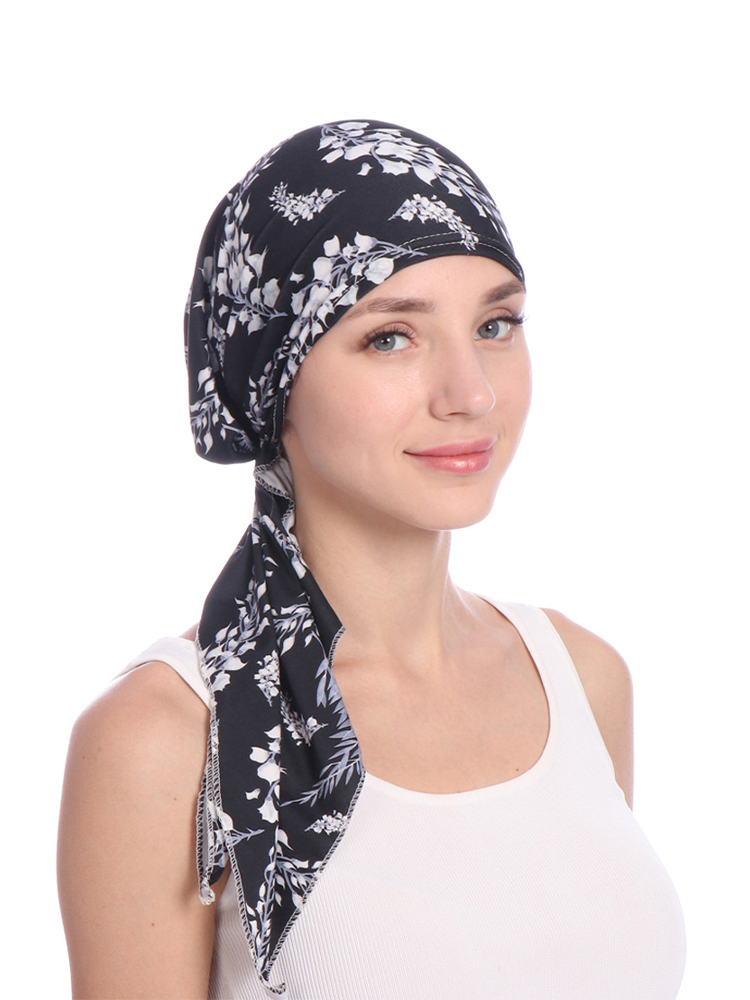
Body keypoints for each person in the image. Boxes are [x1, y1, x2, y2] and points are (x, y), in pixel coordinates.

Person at [57, 120, 686, 1000]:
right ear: (272, 378)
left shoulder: (582, 679)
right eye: (391, 337)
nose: (472, 393)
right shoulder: (167, 737)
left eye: (496, 324)